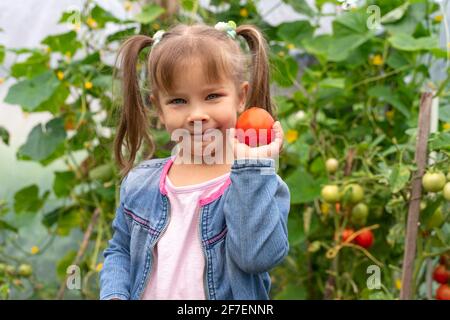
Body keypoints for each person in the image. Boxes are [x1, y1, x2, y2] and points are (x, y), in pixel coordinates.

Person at [100, 20, 291, 300]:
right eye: (178, 101)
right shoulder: (141, 183)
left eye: (212, 96)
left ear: (241, 97)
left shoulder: (260, 183)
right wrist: (114, 293)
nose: (196, 115)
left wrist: (252, 168)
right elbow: (120, 250)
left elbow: (256, 258)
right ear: (159, 108)